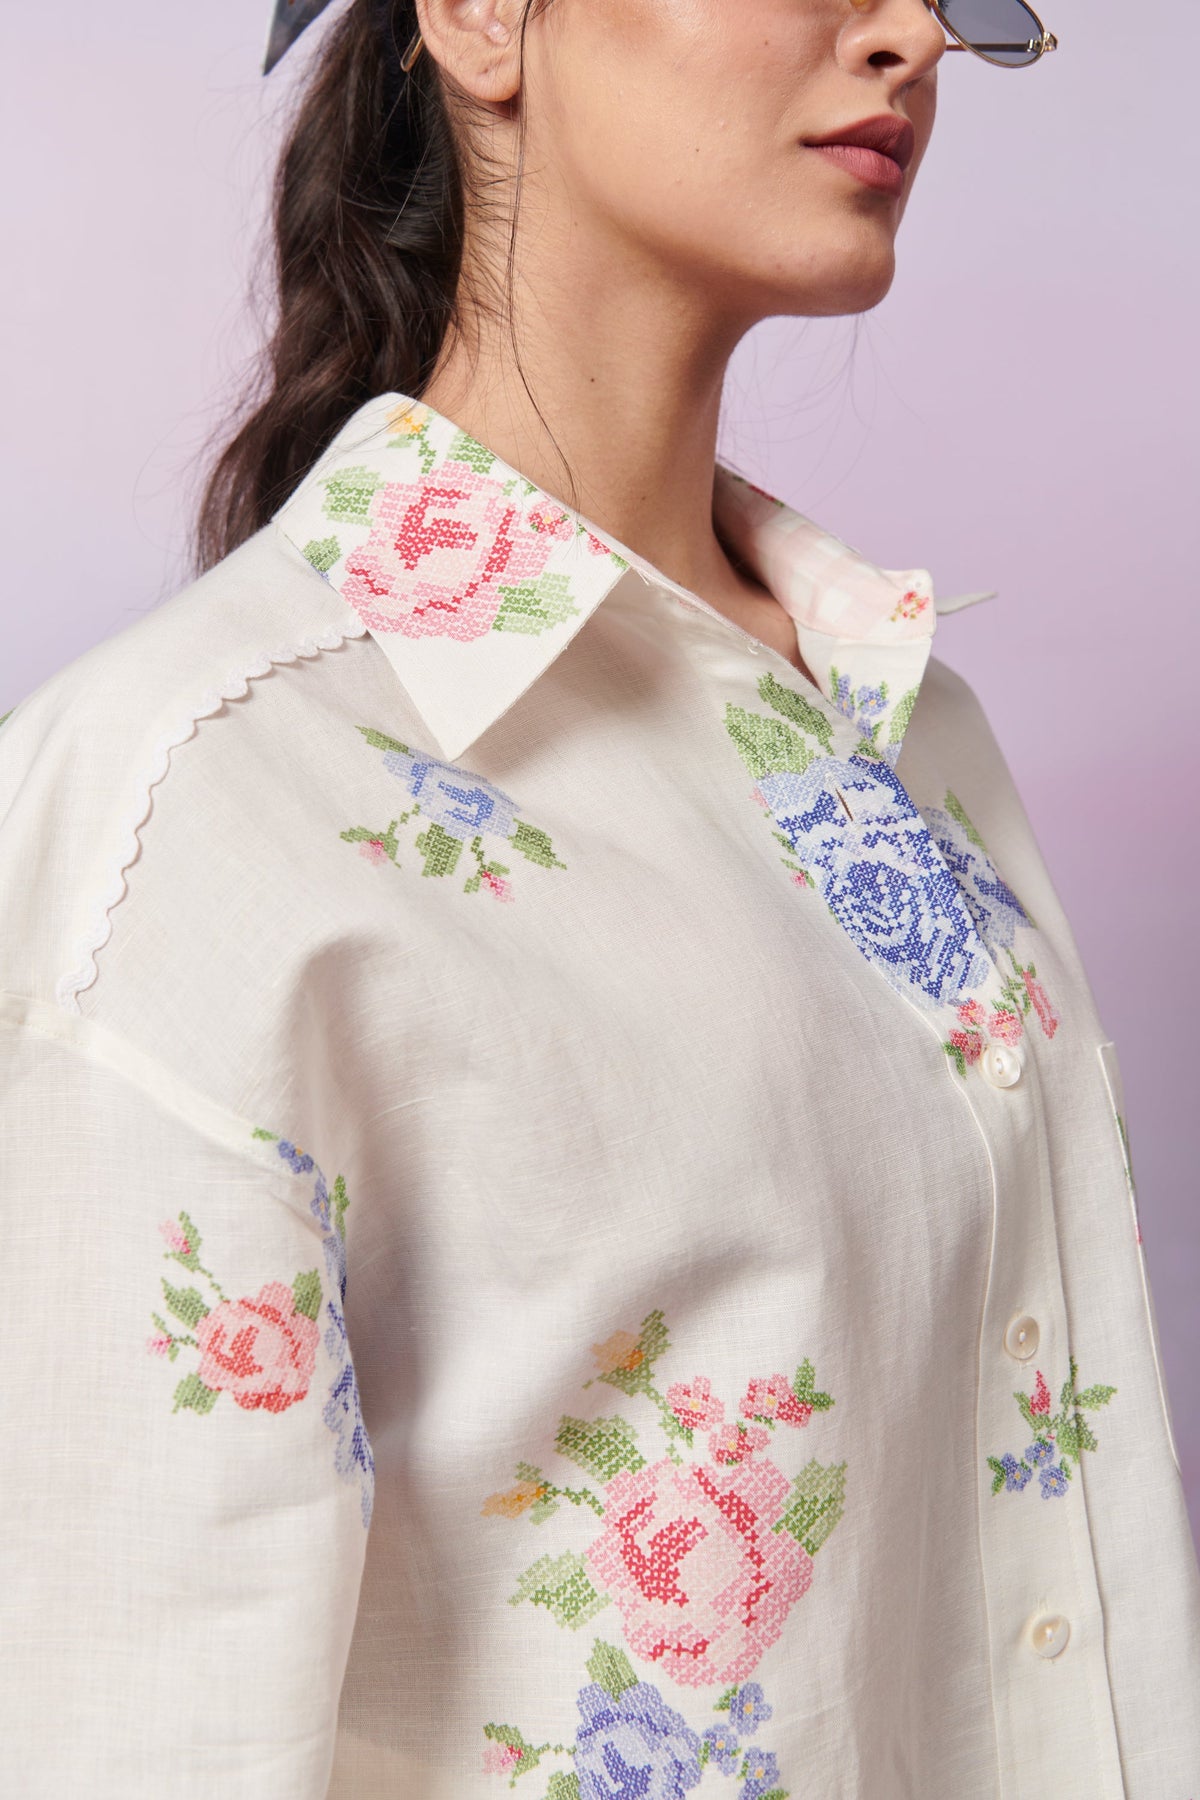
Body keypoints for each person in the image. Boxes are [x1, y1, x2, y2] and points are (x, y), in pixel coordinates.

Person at [1, 0, 1195, 1794]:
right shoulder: (187, 809)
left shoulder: (908, 723)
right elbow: (127, 1724)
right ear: (484, 16)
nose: (911, 36)